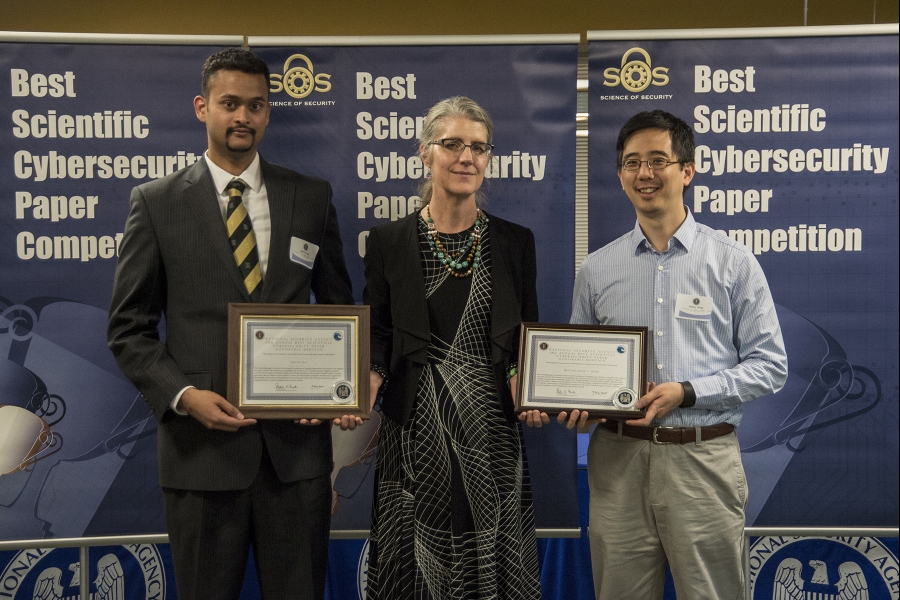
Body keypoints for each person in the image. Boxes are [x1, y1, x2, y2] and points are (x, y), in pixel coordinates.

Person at [107, 48, 356, 600]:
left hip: (296, 456)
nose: (243, 116)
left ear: (268, 112)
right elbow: (128, 328)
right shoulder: (156, 203)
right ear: (203, 108)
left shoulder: (311, 198)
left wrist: (334, 389)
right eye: (229, 103)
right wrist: (183, 396)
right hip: (200, 454)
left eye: (256, 105)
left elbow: (338, 309)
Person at [562, 110, 787, 598]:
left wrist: (686, 392)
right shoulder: (597, 269)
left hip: (702, 461)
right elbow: (580, 368)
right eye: (632, 162)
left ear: (687, 170)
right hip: (618, 463)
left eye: (657, 160)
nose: (644, 173)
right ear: (620, 175)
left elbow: (771, 366)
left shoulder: (733, 262)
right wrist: (576, 405)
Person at [363, 96, 542, 599]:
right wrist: (365, 382)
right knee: (413, 571)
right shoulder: (387, 242)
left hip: (492, 429)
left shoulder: (515, 242)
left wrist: (528, 384)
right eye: (453, 144)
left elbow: (527, 337)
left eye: (479, 148)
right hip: (414, 430)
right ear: (426, 153)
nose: (467, 157)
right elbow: (377, 333)